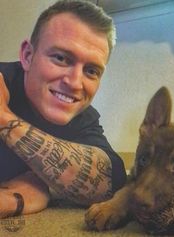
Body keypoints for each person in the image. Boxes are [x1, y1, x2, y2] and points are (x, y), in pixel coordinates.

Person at [0, 0, 126, 218]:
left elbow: (111, 177)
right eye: (60, 58)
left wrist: (3, 118)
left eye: (91, 71)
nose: (76, 83)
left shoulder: (83, 118)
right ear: (27, 56)